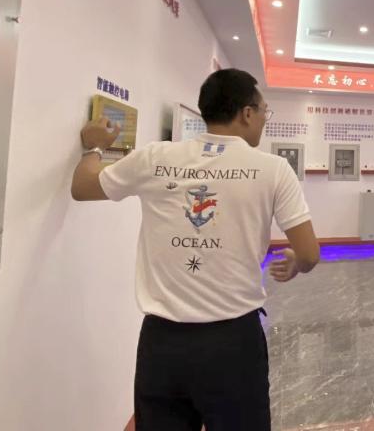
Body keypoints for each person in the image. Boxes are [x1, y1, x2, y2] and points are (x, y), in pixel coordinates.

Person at [71, 68, 320, 431]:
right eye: (264, 111)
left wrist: (93, 147)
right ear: (247, 113)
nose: (264, 119)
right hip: (234, 342)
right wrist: (296, 261)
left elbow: (82, 187)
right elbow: (310, 254)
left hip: (162, 343)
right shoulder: (273, 169)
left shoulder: (155, 157)